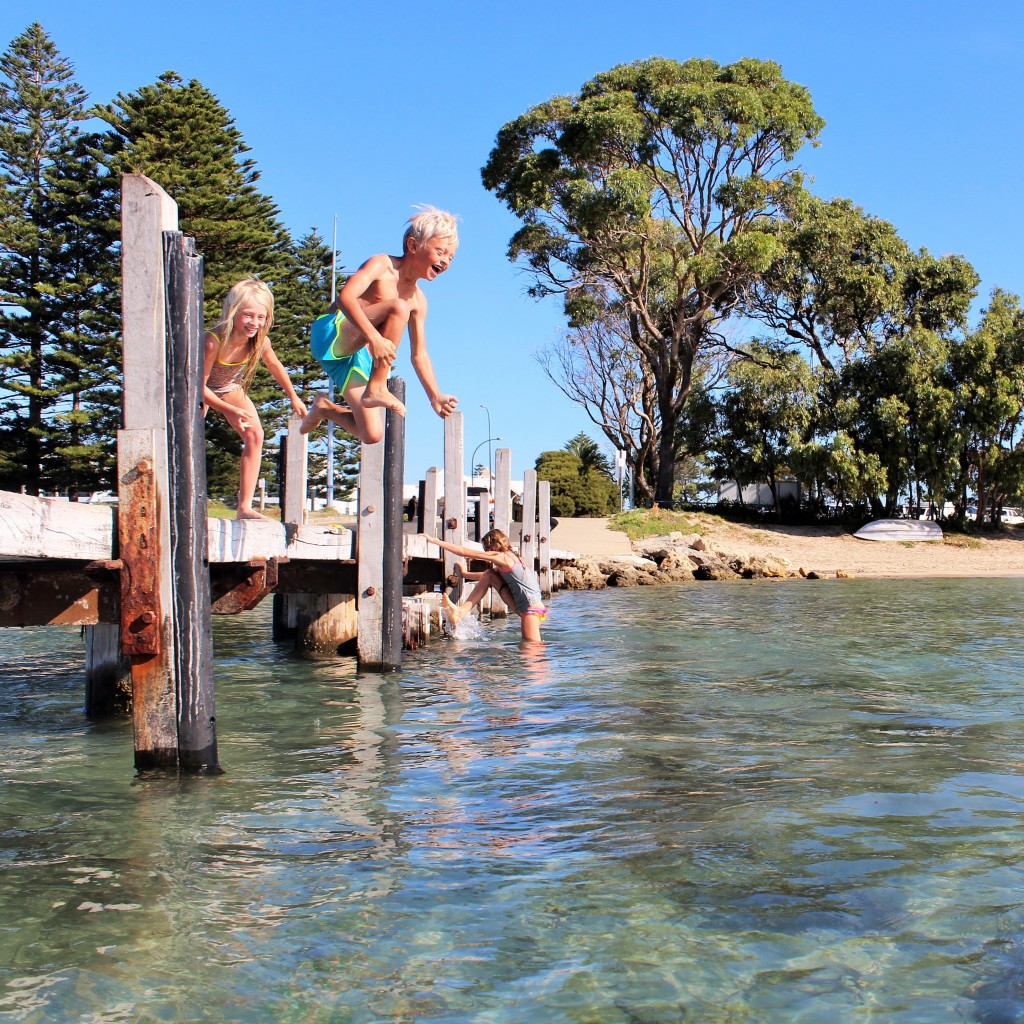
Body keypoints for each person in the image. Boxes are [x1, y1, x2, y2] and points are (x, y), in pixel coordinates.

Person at [300, 206, 459, 444]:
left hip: (354, 356)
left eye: (451, 257)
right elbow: (345, 298)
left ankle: (324, 408)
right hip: (332, 333)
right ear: (413, 246)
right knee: (398, 307)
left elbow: (420, 355)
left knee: (371, 434)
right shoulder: (382, 266)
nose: (445, 261)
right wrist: (374, 338)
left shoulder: (419, 301)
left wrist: (434, 396)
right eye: (440, 252)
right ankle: (376, 386)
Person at [202, 277, 307, 520]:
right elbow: (199, 386)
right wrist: (228, 410)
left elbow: (275, 366)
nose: (254, 323)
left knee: (255, 434)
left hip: (229, 388)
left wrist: (293, 397)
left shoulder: (260, 341)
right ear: (233, 311)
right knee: (191, 435)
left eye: (261, 317)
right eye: (248, 315)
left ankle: (245, 507)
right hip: (202, 390)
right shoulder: (213, 340)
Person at [426, 529, 547, 643]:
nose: (486, 552)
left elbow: (464, 552)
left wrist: (436, 541)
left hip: (531, 611)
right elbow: (485, 577)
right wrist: (465, 574)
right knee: (490, 574)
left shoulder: (503, 557)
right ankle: (460, 612)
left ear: (495, 545)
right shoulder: (515, 558)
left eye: (487, 548)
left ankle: (459, 612)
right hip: (535, 608)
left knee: (532, 650)